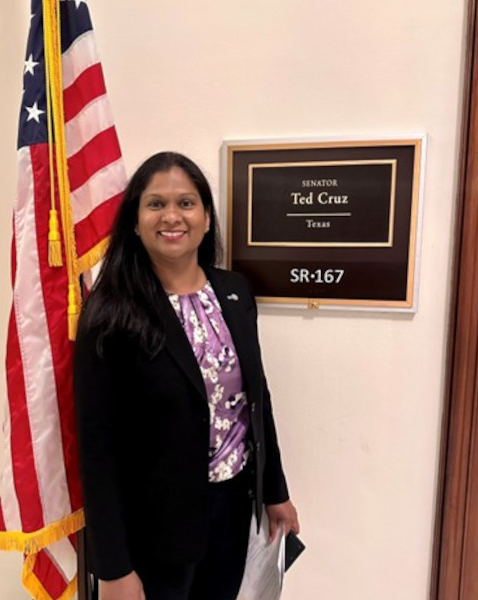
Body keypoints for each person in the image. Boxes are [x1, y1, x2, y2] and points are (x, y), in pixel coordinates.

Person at [74, 151, 299, 600]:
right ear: (135, 222)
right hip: (153, 533)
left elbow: (257, 400)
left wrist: (275, 491)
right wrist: (114, 567)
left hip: (231, 514)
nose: (171, 216)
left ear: (207, 217)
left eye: (186, 202)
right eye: (155, 204)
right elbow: (97, 449)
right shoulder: (109, 313)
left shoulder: (235, 291)